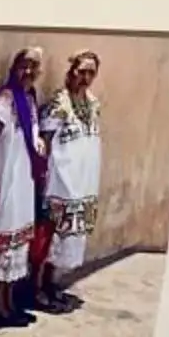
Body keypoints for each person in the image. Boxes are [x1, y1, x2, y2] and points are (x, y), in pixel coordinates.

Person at [0, 47, 46, 326]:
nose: (28, 71)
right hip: (5, 182)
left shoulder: (28, 100)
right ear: (13, 67)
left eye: (33, 66)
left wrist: (39, 143)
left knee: (15, 244)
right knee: (3, 243)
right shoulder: (4, 101)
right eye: (23, 65)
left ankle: (9, 303)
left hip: (21, 183)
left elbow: (33, 133)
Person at [38, 51, 103, 311]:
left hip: (82, 181)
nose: (86, 77)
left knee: (67, 238)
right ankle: (37, 290)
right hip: (59, 180)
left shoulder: (93, 103)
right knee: (49, 236)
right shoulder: (59, 102)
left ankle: (52, 285)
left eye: (91, 72)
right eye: (82, 71)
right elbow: (45, 140)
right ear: (71, 71)